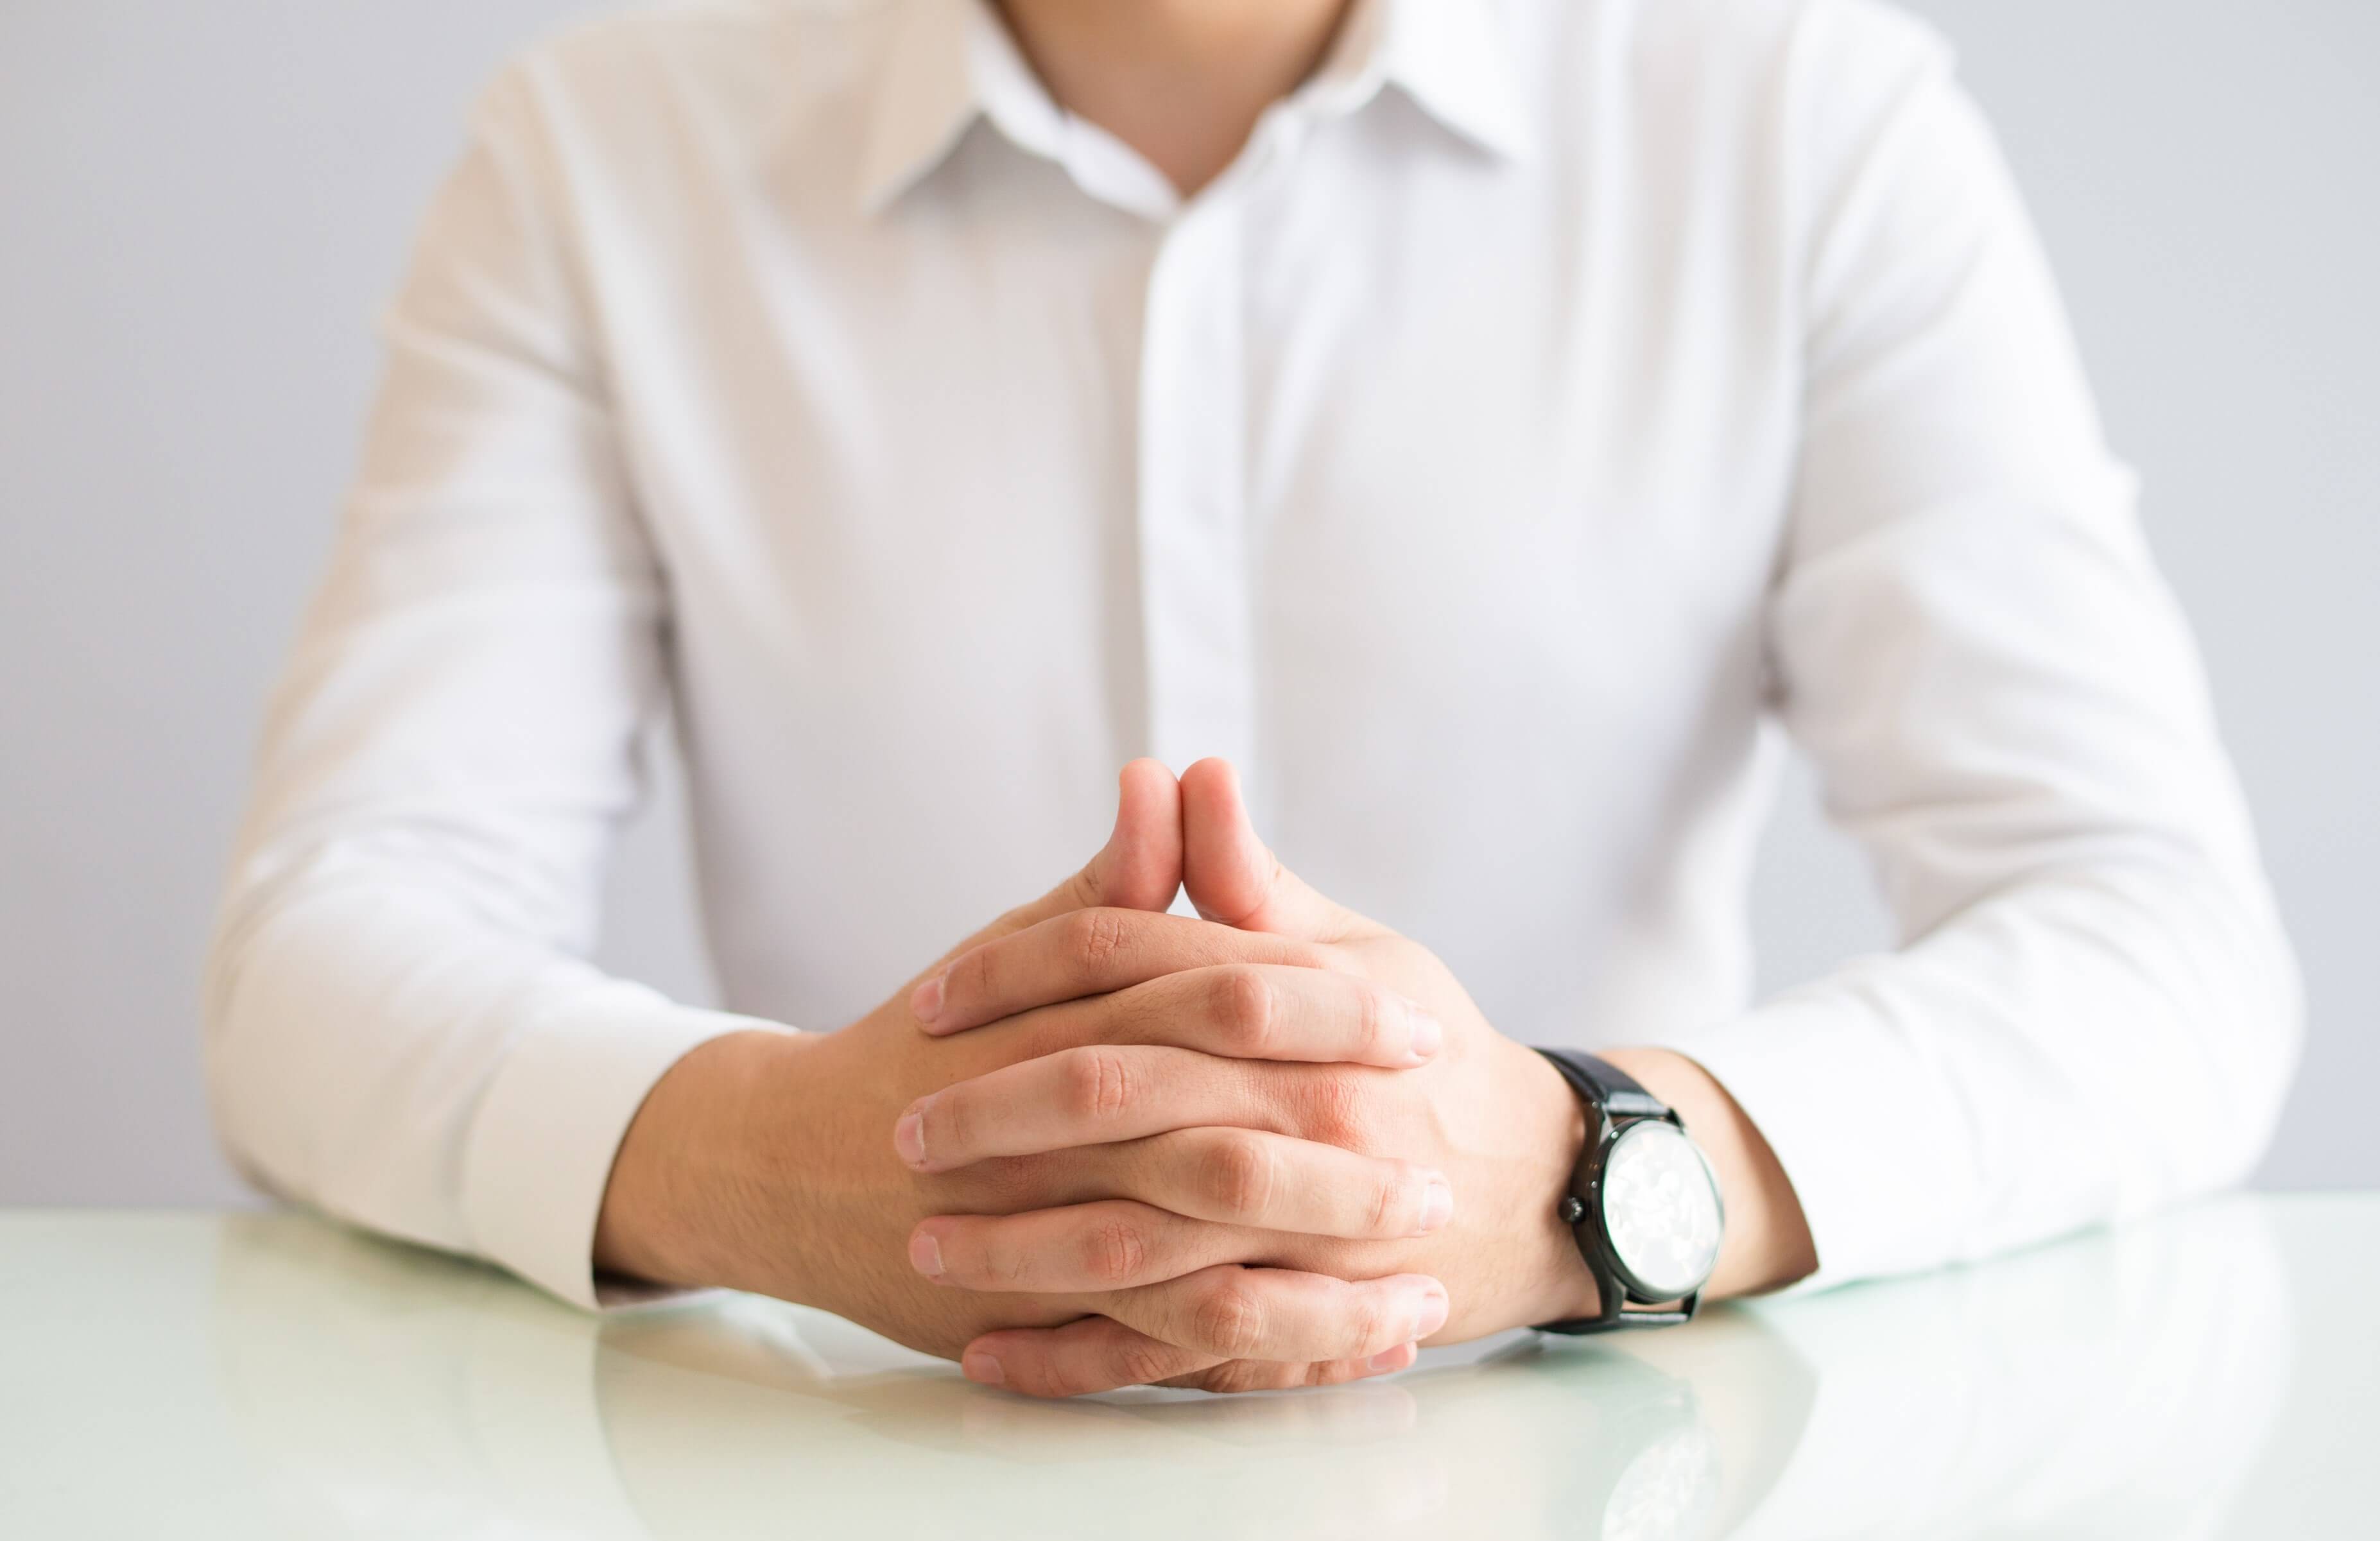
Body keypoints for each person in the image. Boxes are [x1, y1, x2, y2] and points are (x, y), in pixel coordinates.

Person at [203, 0, 2300, 1399]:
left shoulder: (1791, 112)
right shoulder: (605, 152)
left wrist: (1580, 1176)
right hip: (864, 1471)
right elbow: (318, 949)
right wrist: (771, 1163)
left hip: (1607, 1446)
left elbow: (2157, 942)